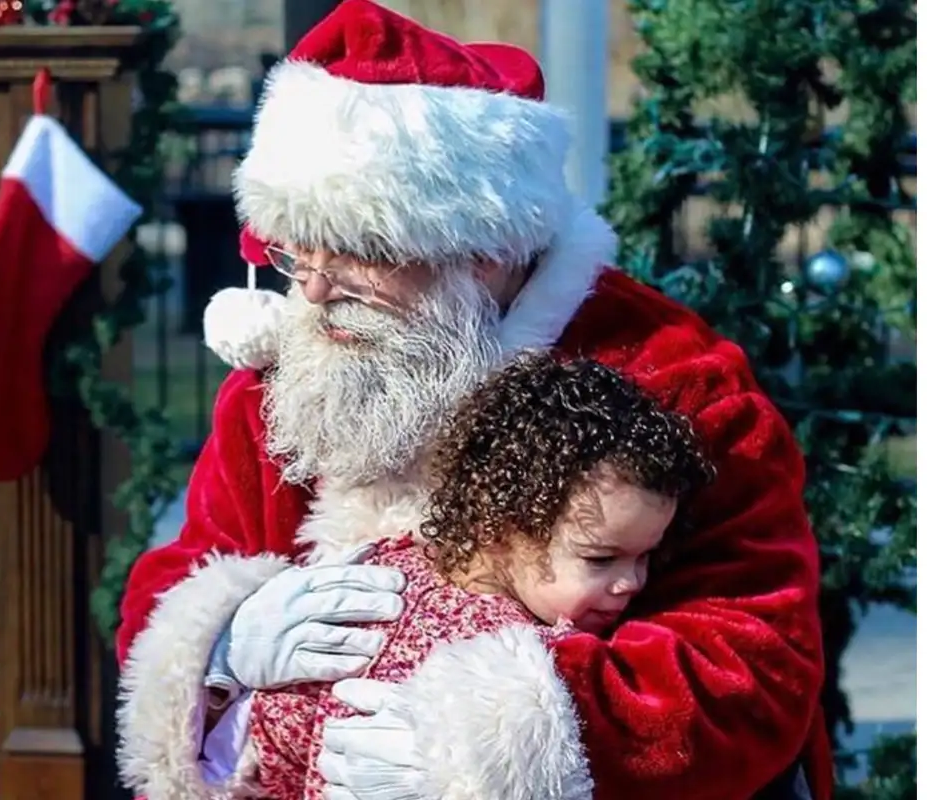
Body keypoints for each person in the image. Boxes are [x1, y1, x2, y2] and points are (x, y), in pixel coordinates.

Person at [115, 2, 830, 799]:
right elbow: (186, 566)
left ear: (487, 252)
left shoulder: (670, 379)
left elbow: (754, 660)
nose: (313, 288)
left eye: (362, 252)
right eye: (295, 249)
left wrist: (497, 745)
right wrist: (223, 640)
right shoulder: (290, 371)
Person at [238, 354, 715, 800]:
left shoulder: (374, 566)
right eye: (600, 558)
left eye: (646, 556)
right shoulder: (509, 659)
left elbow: (267, 741)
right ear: (500, 528)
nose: (631, 582)